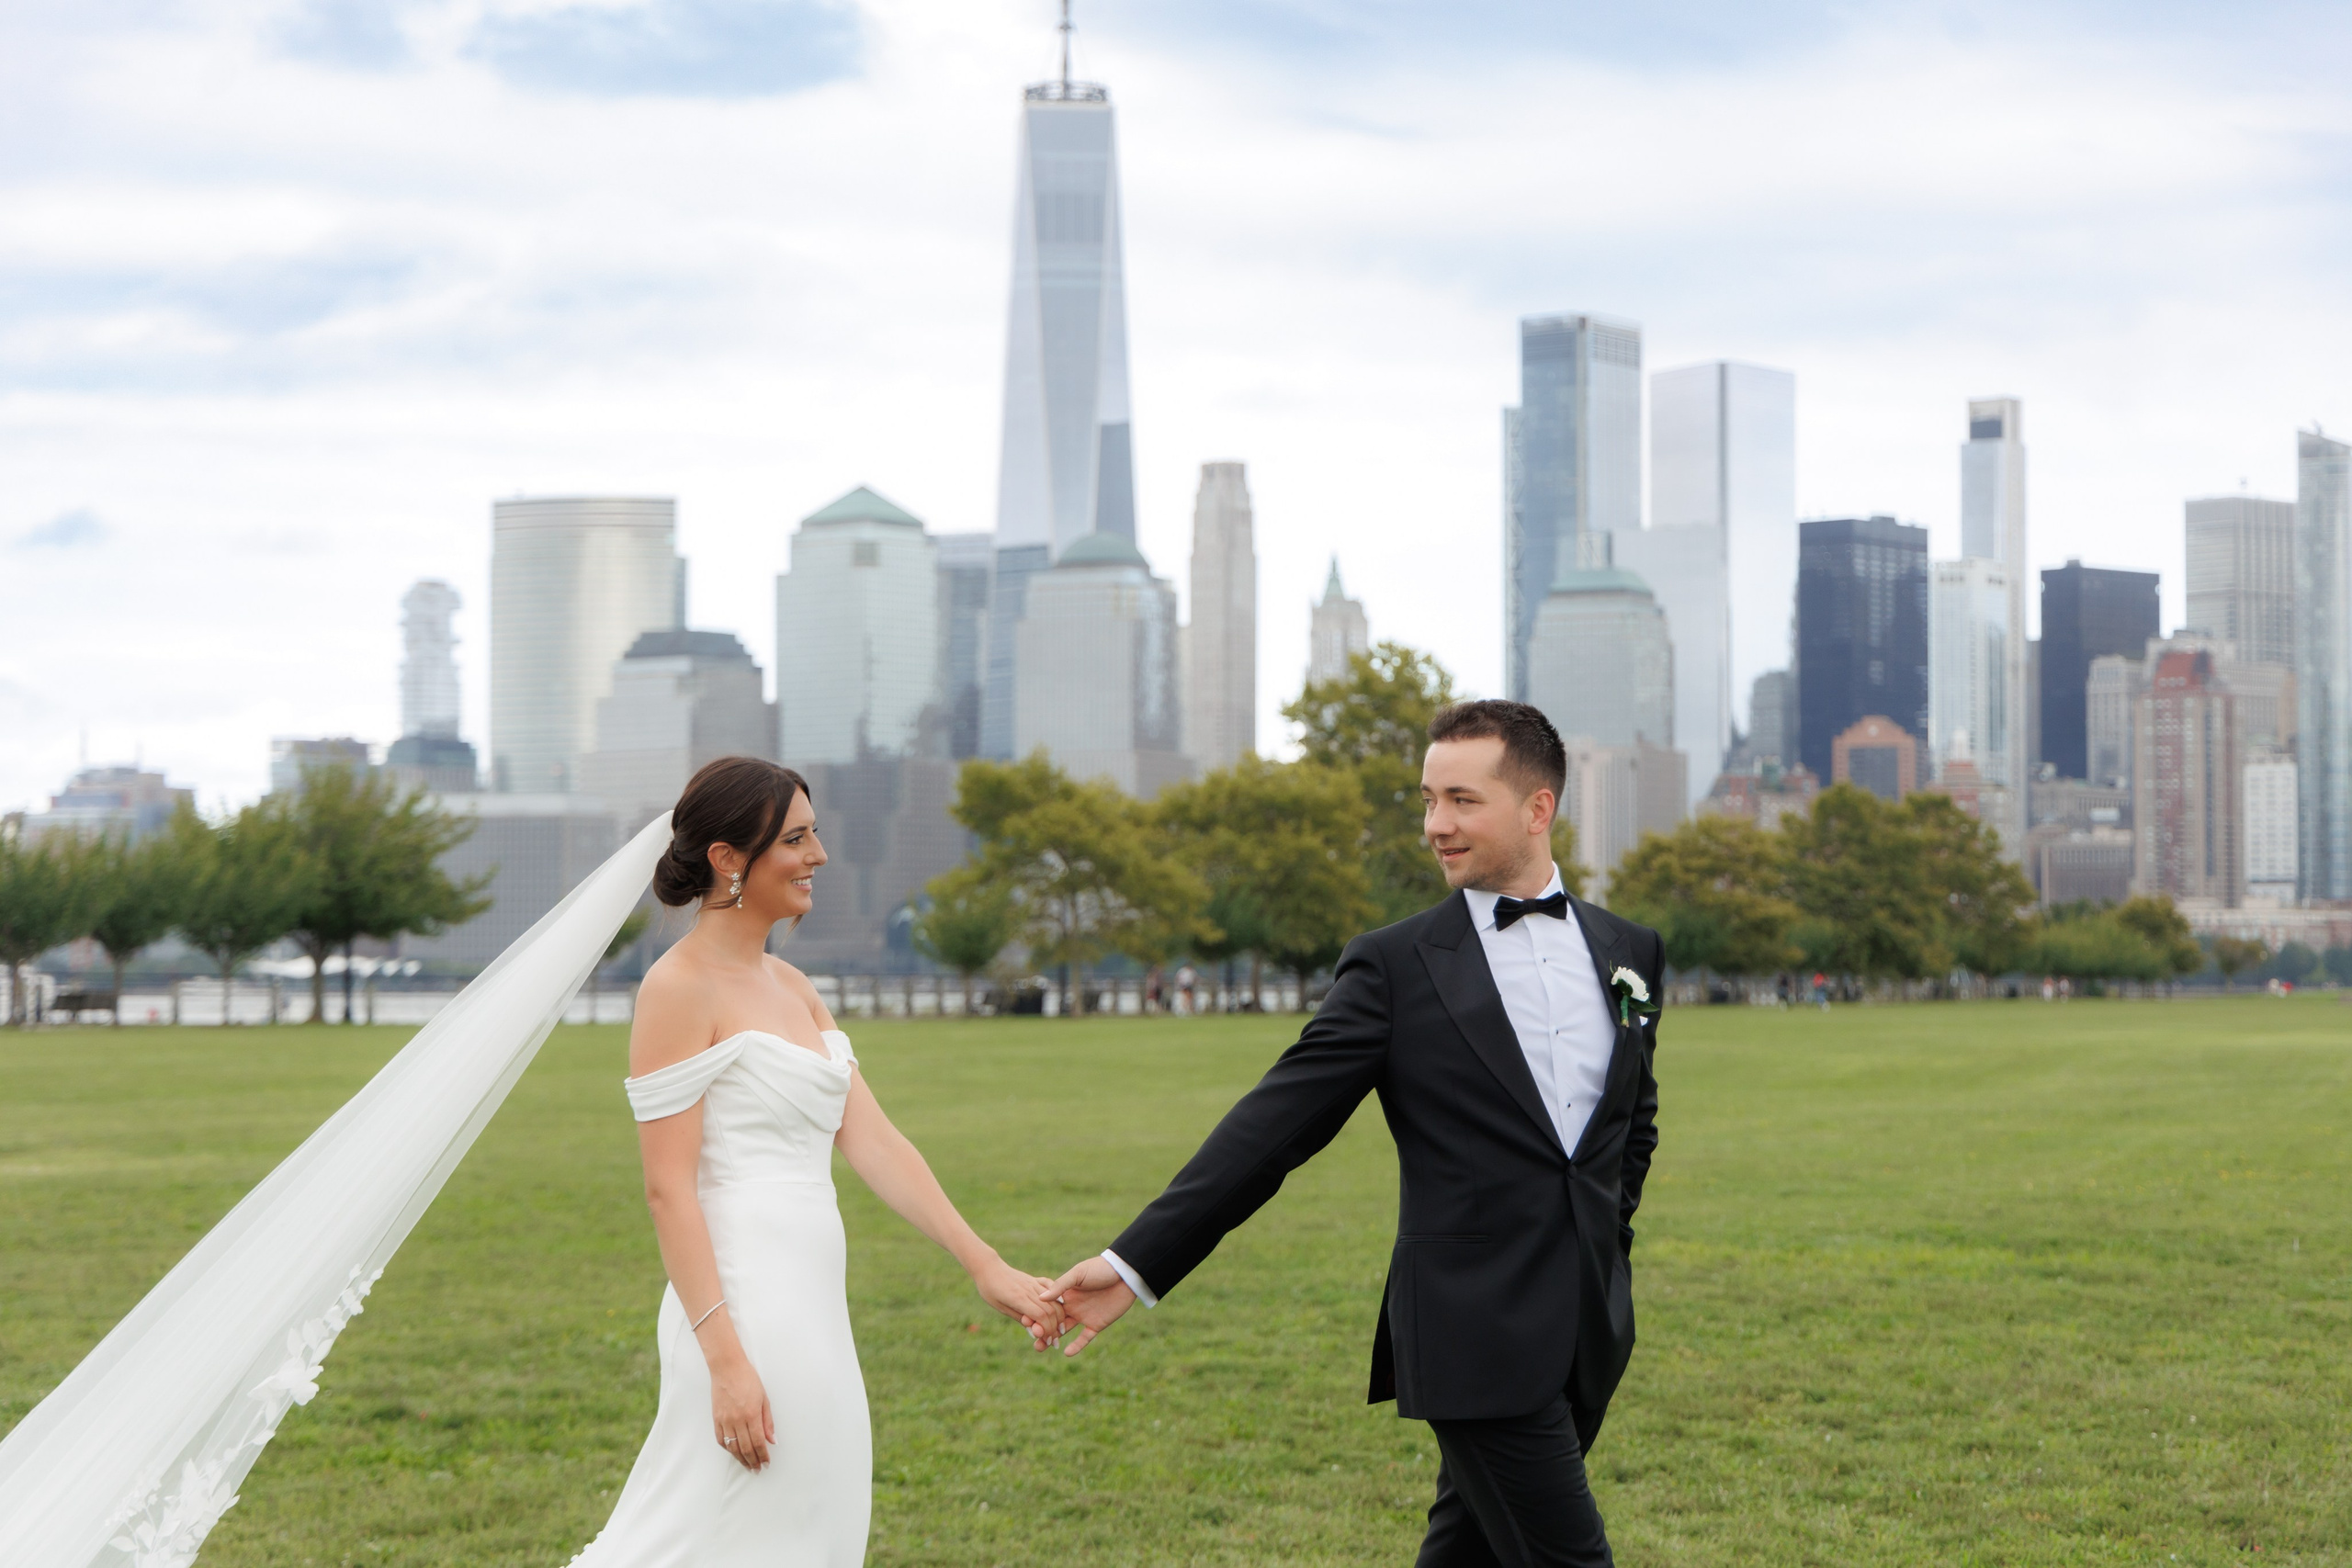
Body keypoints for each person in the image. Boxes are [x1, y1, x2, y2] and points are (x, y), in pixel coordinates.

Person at [1049, 700, 1664, 1567]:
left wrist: (1607, 1238)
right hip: (1472, 1334)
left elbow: (1633, 1123)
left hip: (1588, 1326)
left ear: (1538, 809)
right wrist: (1136, 1262)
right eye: (1427, 799)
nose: (1434, 825)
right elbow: (1271, 1128)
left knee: (1470, 1551)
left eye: (1460, 800)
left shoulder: (1628, 949)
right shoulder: (1394, 965)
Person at [569, 756, 1062, 1567]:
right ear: (730, 858)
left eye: (815, 832)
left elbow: (873, 1140)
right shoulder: (676, 987)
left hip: (814, 1313)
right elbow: (668, 1190)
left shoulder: (794, 985)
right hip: (737, 1312)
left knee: (815, 1529)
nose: (819, 855)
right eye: (795, 838)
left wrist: (986, 1264)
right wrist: (725, 1360)